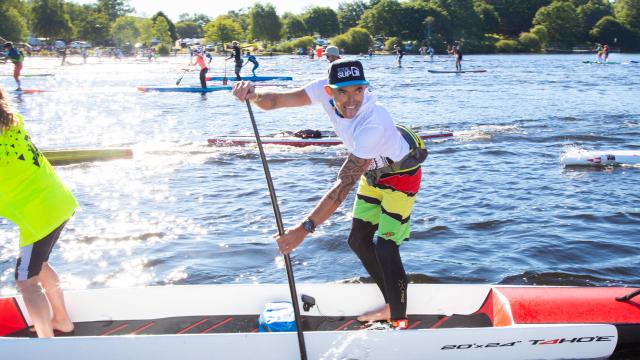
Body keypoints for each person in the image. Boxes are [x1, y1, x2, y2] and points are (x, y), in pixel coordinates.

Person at [231, 60, 427, 329]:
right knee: (358, 241)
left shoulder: (372, 121)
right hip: (372, 173)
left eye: (358, 90)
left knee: (386, 246)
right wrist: (252, 94)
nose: (352, 100)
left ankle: (399, 320)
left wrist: (302, 230)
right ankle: (391, 301)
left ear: (365, 89)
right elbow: (274, 100)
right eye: (342, 92)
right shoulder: (320, 90)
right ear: (328, 91)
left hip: (401, 175)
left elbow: (342, 187)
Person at [0, 86, 77, 338]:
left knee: (26, 282)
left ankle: (47, 347)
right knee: (39, 264)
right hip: (58, 201)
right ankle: (62, 321)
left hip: (39, 215)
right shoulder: (12, 120)